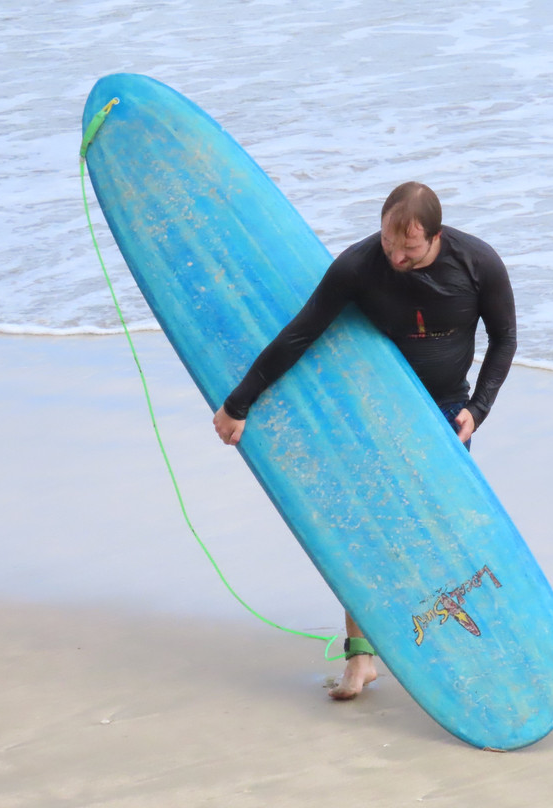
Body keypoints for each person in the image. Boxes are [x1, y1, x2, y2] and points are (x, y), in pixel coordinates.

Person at [212, 181, 517, 700]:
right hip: (374, 410)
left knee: (436, 531)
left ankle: (455, 649)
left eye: (410, 248)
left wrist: (478, 409)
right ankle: (360, 659)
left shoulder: (477, 263)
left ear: (436, 236)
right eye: (388, 243)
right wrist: (239, 402)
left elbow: (505, 338)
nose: (396, 256)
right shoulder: (359, 266)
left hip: (446, 415)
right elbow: (301, 332)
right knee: (365, 532)